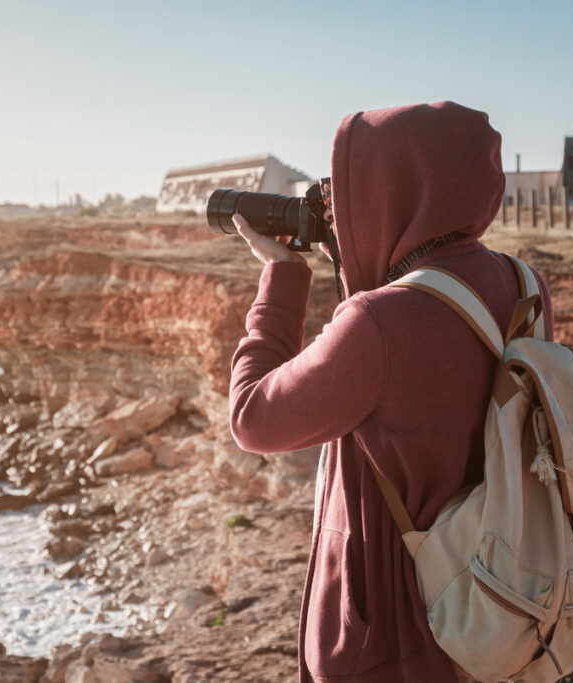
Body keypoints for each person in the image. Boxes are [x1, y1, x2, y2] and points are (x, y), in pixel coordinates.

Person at [229, 101, 553, 682]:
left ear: (388, 188)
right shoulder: (521, 283)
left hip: (394, 639)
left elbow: (253, 418)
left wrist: (282, 276)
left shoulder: (378, 323)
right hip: (497, 599)